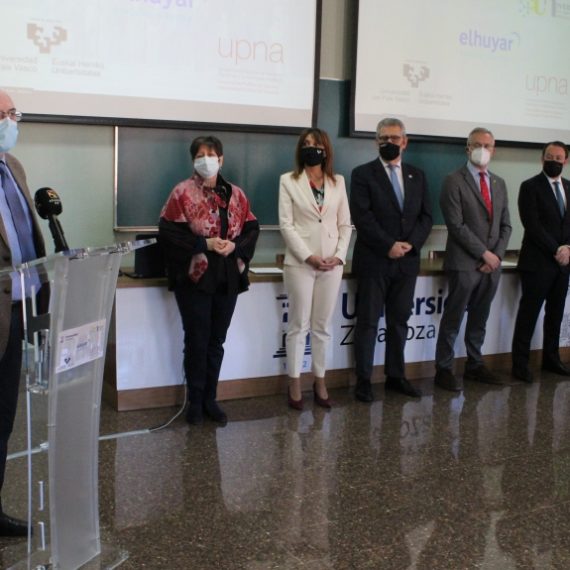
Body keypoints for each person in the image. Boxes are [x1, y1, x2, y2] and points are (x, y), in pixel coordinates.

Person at [159, 135, 259, 425]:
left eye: (211, 154)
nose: (206, 160)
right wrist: (205, 244)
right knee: (197, 340)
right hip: (195, 277)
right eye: (200, 155)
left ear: (221, 159)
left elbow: (252, 228)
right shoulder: (182, 192)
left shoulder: (236, 194)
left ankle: (210, 399)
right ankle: (194, 401)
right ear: (193, 161)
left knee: (216, 340)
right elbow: (168, 233)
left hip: (227, 275)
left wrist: (234, 246)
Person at [350, 117, 432, 402]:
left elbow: (426, 217)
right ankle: (363, 380)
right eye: (383, 138)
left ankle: (396, 376)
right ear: (376, 141)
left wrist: (411, 245)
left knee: (399, 321)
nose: (389, 143)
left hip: (407, 261)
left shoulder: (418, 175)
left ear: (404, 142)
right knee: (368, 322)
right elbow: (362, 217)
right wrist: (388, 246)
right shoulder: (362, 174)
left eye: (394, 138)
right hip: (374, 260)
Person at [278, 128, 352, 410]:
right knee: (299, 325)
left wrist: (339, 256)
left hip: (332, 264)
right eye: (307, 144)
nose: (312, 148)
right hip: (301, 263)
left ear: (326, 150)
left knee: (322, 326)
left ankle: (320, 381)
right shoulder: (288, 180)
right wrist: (308, 256)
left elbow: (345, 224)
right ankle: (295, 382)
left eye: (317, 144)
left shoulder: (338, 182)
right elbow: (286, 225)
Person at [0, 89, 46, 535]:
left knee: (2, 419)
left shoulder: (13, 166)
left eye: (14, 114)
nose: (12, 122)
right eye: (6, 114)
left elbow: (26, 235)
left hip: (15, 311)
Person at [434, 127, 511, 392]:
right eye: (476, 144)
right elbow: (456, 225)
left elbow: (506, 225)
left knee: (480, 317)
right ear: (467, 148)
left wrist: (496, 256)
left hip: (492, 266)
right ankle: (444, 369)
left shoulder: (499, 183)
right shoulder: (453, 180)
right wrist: (484, 254)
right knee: (453, 318)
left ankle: (475, 364)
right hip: (464, 263)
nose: (482, 149)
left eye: (487, 145)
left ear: (493, 150)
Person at [511, 141, 570, 383]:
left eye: (558, 158)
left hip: (563, 264)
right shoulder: (530, 186)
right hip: (537, 263)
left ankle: (551, 359)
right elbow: (532, 224)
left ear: (566, 161)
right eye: (549, 157)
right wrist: (557, 249)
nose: (554, 161)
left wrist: (568, 249)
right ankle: (520, 364)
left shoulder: (569, 187)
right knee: (529, 315)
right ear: (542, 158)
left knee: (555, 315)